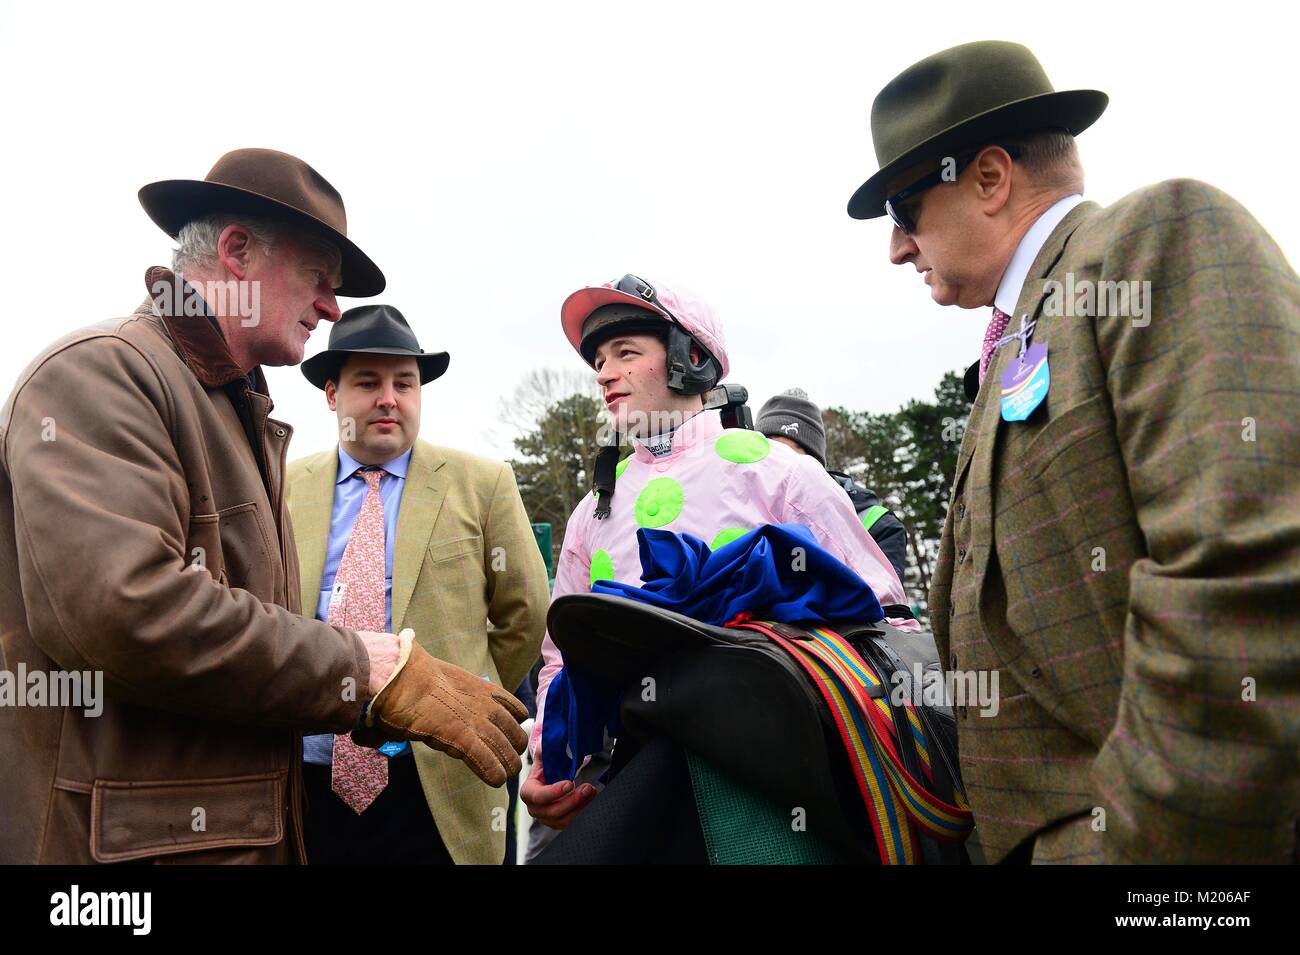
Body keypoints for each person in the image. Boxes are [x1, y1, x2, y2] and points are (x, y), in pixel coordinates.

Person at [0, 149, 526, 864]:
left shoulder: (236, 413)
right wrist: (365, 671)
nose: (332, 308)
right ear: (238, 250)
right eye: (319, 276)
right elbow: (124, 610)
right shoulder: (100, 374)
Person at [847, 41, 1300, 863]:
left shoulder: (1156, 238)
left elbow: (1249, 577)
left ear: (988, 178)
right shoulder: (1019, 334)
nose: (898, 249)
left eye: (902, 212)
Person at [520, 274, 915, 835]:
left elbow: (886, 622)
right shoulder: (592, 510)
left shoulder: (782, 473)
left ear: (692, 357)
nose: (605, 374)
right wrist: (547, 759)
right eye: (600, 361)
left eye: (626, 353)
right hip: (637, 776)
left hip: (779, 782)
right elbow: (561, 655)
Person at [287, 304, 549, 864]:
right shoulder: (282, 484)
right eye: (368, 382)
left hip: (441, 777)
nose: (389, 398)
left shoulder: (483, 482)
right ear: (331, 394)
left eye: (405, 383)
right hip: (307, 776)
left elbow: (525, 612)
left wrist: (467, 697)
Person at [755, 388, 909, 581]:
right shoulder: (741, 512)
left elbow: (883, 604)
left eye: (796, 455)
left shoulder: (876, 524)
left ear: (818, 465)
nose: (785, 467)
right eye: (774, 455)